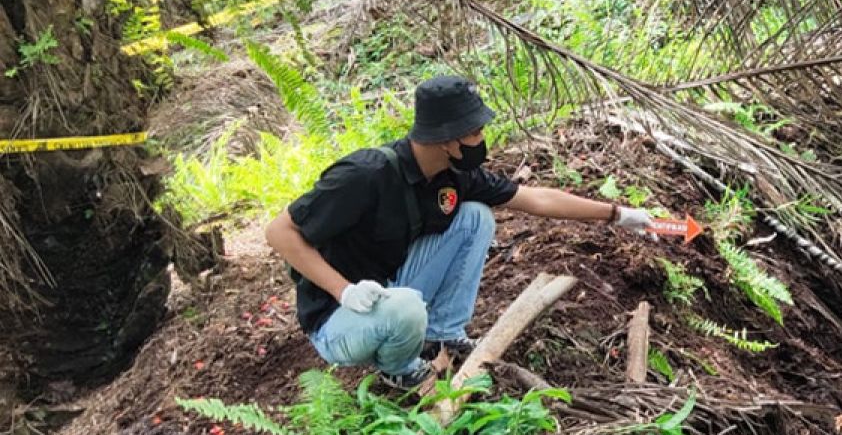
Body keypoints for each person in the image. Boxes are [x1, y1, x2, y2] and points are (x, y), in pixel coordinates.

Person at [265, 75, 653, 389]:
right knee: (405, 308)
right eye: (475, 133)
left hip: (388, 285)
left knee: (474, 217)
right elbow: (279, 232)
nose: (481, 141)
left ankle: (443, 333)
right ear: (448, 138)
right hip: (338, 318)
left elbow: (538, 200)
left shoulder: (454, 177)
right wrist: (342, 290)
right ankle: (398, 368)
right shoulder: (365, 176)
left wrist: (618, 214)